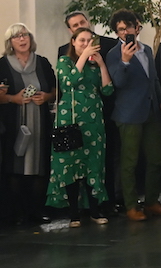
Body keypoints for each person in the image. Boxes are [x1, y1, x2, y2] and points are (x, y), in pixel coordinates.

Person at [106, 11, 161, 222]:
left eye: (128, 28)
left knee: (156, 158)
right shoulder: (114, 54)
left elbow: (154, 80)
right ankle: (131, 205)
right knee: (129, 161)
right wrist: (124, 61)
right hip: (128, 114)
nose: (125, 33)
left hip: (151, 111)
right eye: (120, 30)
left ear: (137, 27)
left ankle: (151, 200)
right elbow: (118, 84)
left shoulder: (147, 49)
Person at [50, 28, 115, 226]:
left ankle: (94, 210)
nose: (86, 44)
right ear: (73, 41)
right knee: (71, 164)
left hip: (93, 121)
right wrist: (83, 57)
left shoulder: (94, 65)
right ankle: (73, 214)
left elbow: (107, 89)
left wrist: (102, 65)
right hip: (70, 119)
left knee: (93, 164)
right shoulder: (64, 61)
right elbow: (69, 81)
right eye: (82, 40)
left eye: (89, 41)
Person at [0, 24, 56, 225]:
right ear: (10, 43)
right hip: (13, 124)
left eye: (25, 35)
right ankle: (18, 213)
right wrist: (12, 99)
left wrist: (47, 96)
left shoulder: (41, 62)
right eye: (17, 37)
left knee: (39, 166)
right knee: (14, 167)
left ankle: (37, 210)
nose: (22, 39)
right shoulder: (2, 64)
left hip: (40, 122)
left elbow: (55, 90)